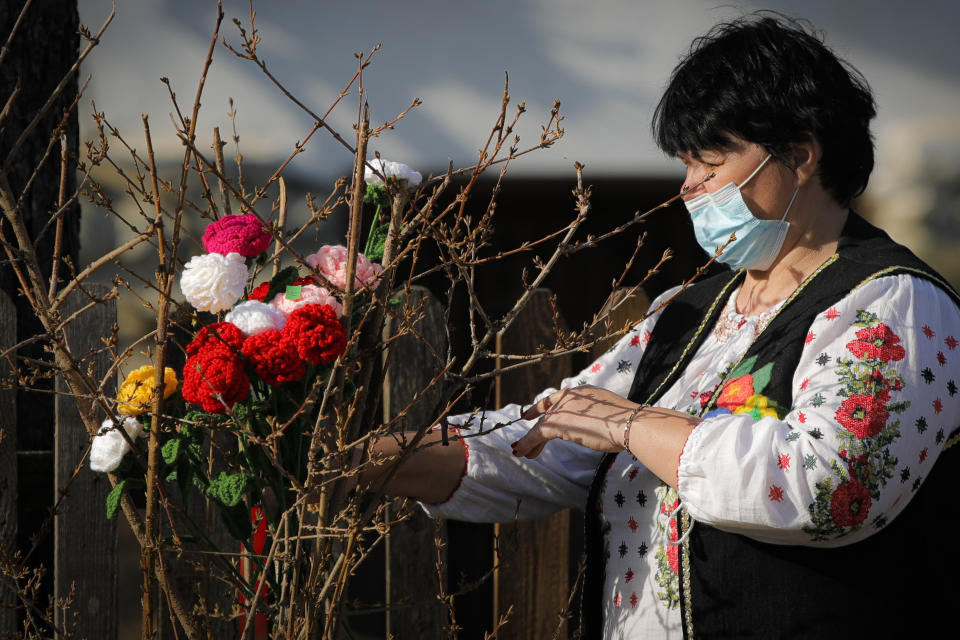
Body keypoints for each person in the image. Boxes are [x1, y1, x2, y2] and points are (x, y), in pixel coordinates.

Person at [359, 14, 960, 638]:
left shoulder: (892, 302)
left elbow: (828, 488)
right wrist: (360, 463)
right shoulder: (691, 311)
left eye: (709, 161)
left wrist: (632, 425)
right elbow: (550, 438)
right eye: (685, 164)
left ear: (801, 155)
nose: (688, 188)